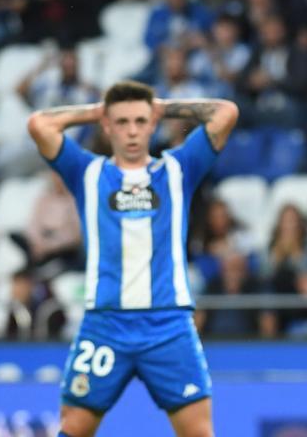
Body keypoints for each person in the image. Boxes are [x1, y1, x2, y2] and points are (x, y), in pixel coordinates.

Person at [26, 80, 238, 437]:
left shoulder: (178, 170)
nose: (132, 131)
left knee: (199, 433)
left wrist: (164, 107)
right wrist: (95, 111)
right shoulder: (87, 172)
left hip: (168, 325)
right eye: (121, 122)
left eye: (141, 120)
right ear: (107, 126)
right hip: (105, 324)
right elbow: (39, 124)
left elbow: (226, 113)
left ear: (152, 123)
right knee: (73, 428)